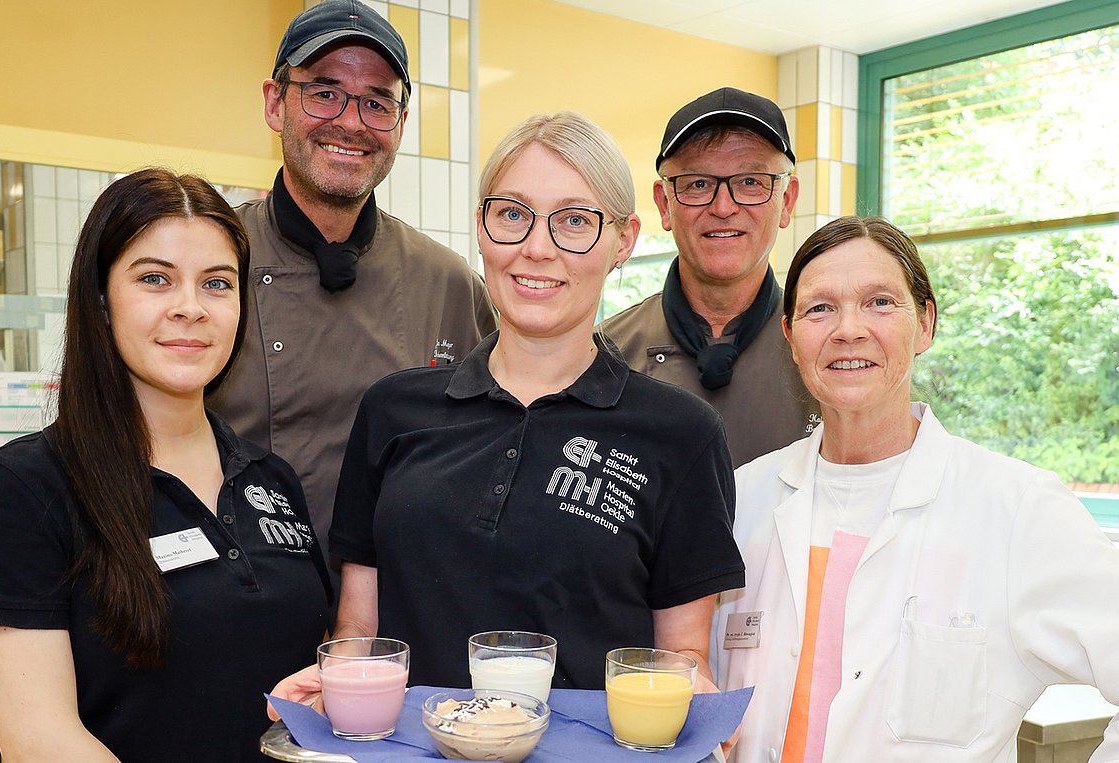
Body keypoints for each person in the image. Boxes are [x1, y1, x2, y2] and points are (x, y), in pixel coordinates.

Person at [270, 112, 744, 707]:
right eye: (513, 215)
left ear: (623, 240)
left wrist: (697, 708)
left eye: (574, 220)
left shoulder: (680, 434)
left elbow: (680, 658)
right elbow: (359, 635)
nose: (537, 248)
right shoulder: (394, 409)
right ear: (482, 227)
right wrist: (326, 687)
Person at [0, 169, 332, 763]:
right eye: (155, 279)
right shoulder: (27, 486)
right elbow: (40, 740)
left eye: (217, 283)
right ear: (101, 300)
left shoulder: (271, 479)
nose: (190, 308)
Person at [712, 215, 1119, 762]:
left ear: (925, 324)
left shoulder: (1017, 511)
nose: (848, 329)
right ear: (790, 336)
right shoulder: (743, 501)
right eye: (819, 308)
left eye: (880, 302)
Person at [208, 0, 497, 571]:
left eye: (376, 102)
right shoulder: (211, 259)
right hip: (234, 607)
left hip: (396, 619)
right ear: (275, 102)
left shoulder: (447, 281)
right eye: (323, 91)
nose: (351, 121)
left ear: (402, 122)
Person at [601, 87, 815, 468]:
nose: (723, 207)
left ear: (787, 201)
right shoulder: (601, 356)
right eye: (698, 183)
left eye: (751, 181)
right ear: (664, 205)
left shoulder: (824, 350)